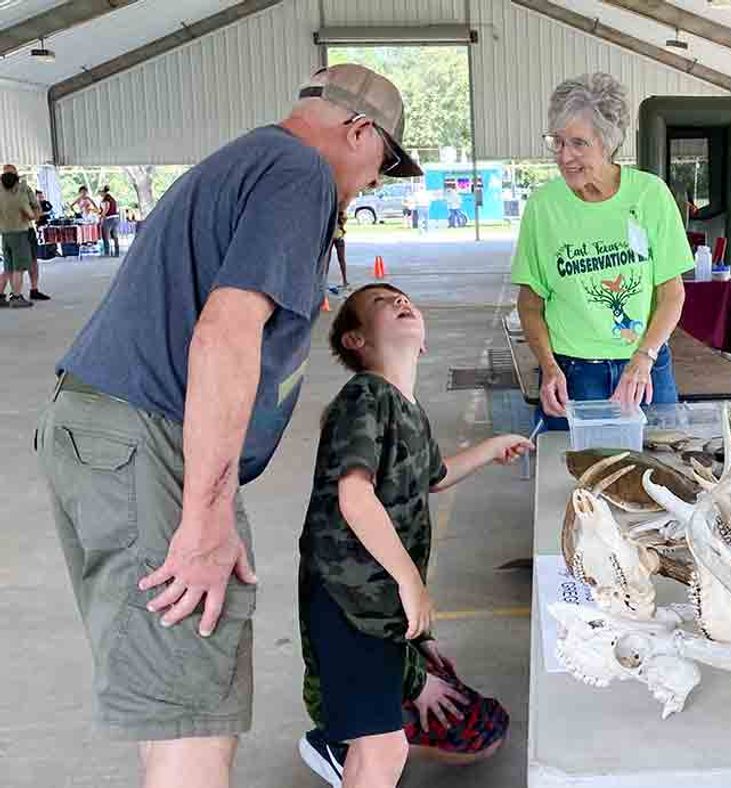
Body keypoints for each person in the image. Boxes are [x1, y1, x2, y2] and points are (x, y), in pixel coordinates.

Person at [36, 63, 423, 788]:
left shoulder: (250, 158)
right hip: (148, 439)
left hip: (110, 432)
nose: (375, 181)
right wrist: (207, 517)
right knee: (196, 715)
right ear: (358, 130)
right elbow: (225, 332)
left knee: (174, 705)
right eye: (383, 163)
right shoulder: (299, 171)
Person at [296, 283, 528, 787]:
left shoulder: (408, 409)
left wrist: (492, 448)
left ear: (421, 343)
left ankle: (342, 737)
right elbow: (354, 496)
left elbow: (435, 475)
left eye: (405, 300)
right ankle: (341, 740)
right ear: (357, 340)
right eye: (382, 303)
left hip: (374, 603)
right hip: (347, 595)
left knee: (401, 736)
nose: (401, 303)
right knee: (384, 748)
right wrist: (410, 583)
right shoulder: (366, 397)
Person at [512, 72, 692, 425]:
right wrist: (548, 368)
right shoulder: (543, 206)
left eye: (579, 143)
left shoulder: (649, 195)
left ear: (607, 143)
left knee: (659, 467)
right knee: (574, 475)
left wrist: (644, 357)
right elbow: (529, 303)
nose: (565, 157)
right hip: (572, 374)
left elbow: (672, 295)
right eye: (558, 142)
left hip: (644, 369)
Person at [0, 165, 38, 308]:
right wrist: (34, 214)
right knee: (19, 268)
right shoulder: (19, 193)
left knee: (8, 267)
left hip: (5, 233)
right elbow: (31, 214)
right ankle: (16, 297)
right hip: (20, 232)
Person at [98, 185, 121, 257]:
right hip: (115, 218)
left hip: (108, 218)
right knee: (115, 235)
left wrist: (102, 215)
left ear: (103, 192)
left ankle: (107, 252)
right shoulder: (112, 198)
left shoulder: (106, 199)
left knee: (105, 236)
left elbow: (106, 208)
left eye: (100, 193)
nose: (100, 194)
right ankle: (117, 252)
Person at [332, 208, 349, 288]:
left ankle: (345, 280)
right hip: (331, 238)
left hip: (338, 237)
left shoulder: (341, 212)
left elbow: (345, 218)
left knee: (341, 259)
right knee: (326, 260)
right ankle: (344, 281)